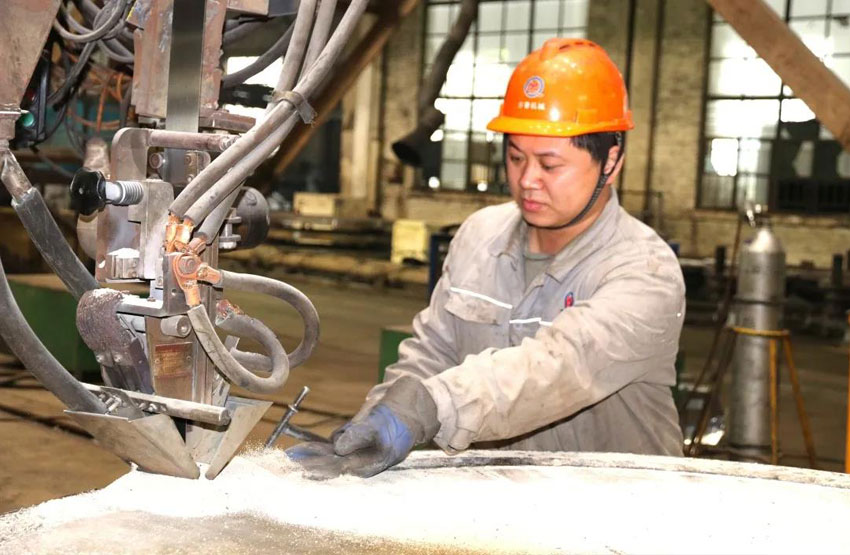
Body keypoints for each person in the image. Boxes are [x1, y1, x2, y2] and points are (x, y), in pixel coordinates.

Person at [286, 38, 686, 479]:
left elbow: (555, 368)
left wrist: (428, 407)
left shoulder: (645, 271)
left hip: (616, 502)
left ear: (611, 161)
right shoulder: (480, 235)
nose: (527, 180)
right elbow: (434, 350)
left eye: (550, 165)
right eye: (516, 157)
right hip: (495, 495)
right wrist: (380, 418)